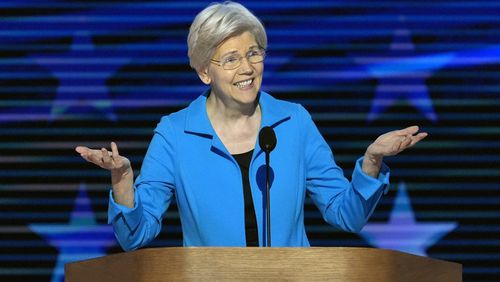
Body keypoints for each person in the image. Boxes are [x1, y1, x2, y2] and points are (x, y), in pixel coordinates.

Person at [76, 1, 427, 250]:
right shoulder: (174, 134)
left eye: (254, 53)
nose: (247, 68)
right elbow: (135, 236)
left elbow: (346, 215)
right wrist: (122, 181)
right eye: (230, 59)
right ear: (203, 72)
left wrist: (371, 162)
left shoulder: (294, 122)